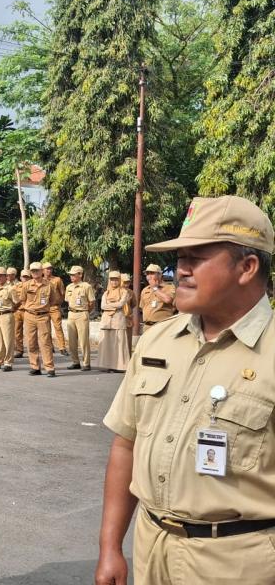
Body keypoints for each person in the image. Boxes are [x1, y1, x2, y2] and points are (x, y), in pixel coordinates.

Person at [96, 195, 275, 585]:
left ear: (247, 267)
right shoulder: (157, 341)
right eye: (180, 259)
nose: (182, 271)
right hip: (151, 549)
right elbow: (126, 445)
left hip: (239, 564)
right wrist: (110, 547)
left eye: (196, 258)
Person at [18, 262, 60, 377]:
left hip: (43, 316)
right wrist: (30, 308)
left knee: (45, 342)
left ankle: (49, 368)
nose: (35, 273)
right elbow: (22, 300)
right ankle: (35, 367)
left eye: (37, 270)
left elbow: (53, 300)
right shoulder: (26, 285)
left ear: (42, 271)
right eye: (32, 271)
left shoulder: (49, 285)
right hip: (29, 316)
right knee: (31, 342)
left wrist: (43, 308)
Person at [97, 271, 131, 372]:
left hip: (118, 320)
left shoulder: (124, 292)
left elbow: (121, 304)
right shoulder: (106, 293)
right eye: (112, 280)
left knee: (119, 344)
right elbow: (102, 306)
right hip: (107, 321)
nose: (114, 282)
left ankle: (120, 366)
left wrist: (109, 305)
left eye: (116, 279)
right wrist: (115, 305)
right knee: (106, 344)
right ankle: (106, 365)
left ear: (119, 280)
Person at [64, 265, 95, 370]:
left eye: (74, 275)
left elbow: (92, 302)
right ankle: (75, 362)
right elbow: (67, 300)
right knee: (71, 341)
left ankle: (86, 363)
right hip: (71, 314)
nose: (71, 276)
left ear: (80, 275)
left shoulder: (86, 286)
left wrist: (85, 312)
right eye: (70, 275)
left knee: (83, 340)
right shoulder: (69, 287)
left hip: (82, 313)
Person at [0, 266, 19, 371]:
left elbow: (17, 302)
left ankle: (8, 363)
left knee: (8, 340)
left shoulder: (10, 288)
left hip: (7, 315)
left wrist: (12, 310)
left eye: (1, 275)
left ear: (6, 276)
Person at [139, 263, 176, 331]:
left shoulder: (169, 287)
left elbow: (168, 300)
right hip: (147, 326)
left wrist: (155, 288)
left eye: (152, 273)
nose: (149, 276)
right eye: (147, 274)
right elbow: (142, 307)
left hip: (162, 326)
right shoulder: (145, 290)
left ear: (159, 275)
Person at [43, 262, 67, 355]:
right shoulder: (40, 281)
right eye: (47, 269)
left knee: (58, 327)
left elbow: (62, 293)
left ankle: (62, 347)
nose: (49, 270)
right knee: (46, 329)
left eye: (50, 268)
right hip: (44, 308)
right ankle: (50, 346)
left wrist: (58, 303)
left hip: (54, 307)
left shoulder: (57, 280)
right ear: (42, 270)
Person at [14, 268, 31, 358]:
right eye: (24, 277)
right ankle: (19, 350)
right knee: (17, 332)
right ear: (20, 277)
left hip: (28, 311)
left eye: (27, 277)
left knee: (29, 332)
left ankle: (31, 350)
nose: (25, 278)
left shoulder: (32, 286)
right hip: (18, 311)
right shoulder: (16, 286)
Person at [121, 273, 137, 354]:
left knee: (128, 341)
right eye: (124, 282)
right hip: (118, 319)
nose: (126, 285)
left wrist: (128, 310)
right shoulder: (116, 292)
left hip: (127, 319)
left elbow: (134, 304)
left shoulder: (131, 292)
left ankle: (128, 359)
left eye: (128, 282)